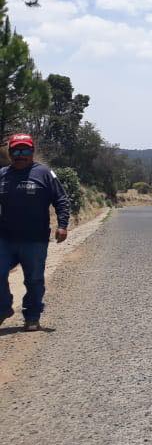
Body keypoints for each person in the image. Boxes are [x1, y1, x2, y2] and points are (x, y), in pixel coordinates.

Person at [0, 134, 69, 332]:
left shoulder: (45, 173)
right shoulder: (3, 174)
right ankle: (3, 308)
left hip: (35, 240)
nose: (20, 155)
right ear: (10, 152)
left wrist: (62, 225)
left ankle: (32, 316)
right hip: (5, 238)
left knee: (34, 279)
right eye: (16, 151)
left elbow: (61, 200)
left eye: (25, 151)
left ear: (32, 152)